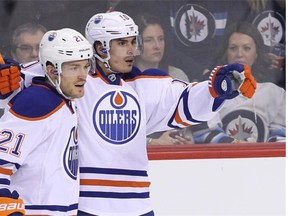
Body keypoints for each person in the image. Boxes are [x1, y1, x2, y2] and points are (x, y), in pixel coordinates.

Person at [0, 11, 256, 215]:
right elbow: (45, 70)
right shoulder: (78, 83)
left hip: (139, 205)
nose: (132, 50)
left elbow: (185, 100)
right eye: (122, 43)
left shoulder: (143, 85)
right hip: (89, 206)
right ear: (100, 48)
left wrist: (221, 86)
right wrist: (14, 75)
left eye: (133, 41)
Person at [0, 28, 93, 215]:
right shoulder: (37, 103)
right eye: (74, 68)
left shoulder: (64, 99)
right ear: (51, 70)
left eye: (85, 66)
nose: (83, 75)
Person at [190, 22, 285, 143]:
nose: (239, 54)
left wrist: (259, 156)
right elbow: (204, 133)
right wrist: (238, 150)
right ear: (226, 53)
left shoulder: (274, 93)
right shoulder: (211, 91)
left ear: (256, 53)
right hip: (221, 160)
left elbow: (282, 135)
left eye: (246, 48)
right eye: (233, 48)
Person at [134, 12, 192, 145]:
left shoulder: (178, 76)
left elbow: (189, 125)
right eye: (149, 40)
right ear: (136, 44)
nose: (157, 46)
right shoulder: (125, 81)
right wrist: (151, 142)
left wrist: (188, 141)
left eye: (161, 39)